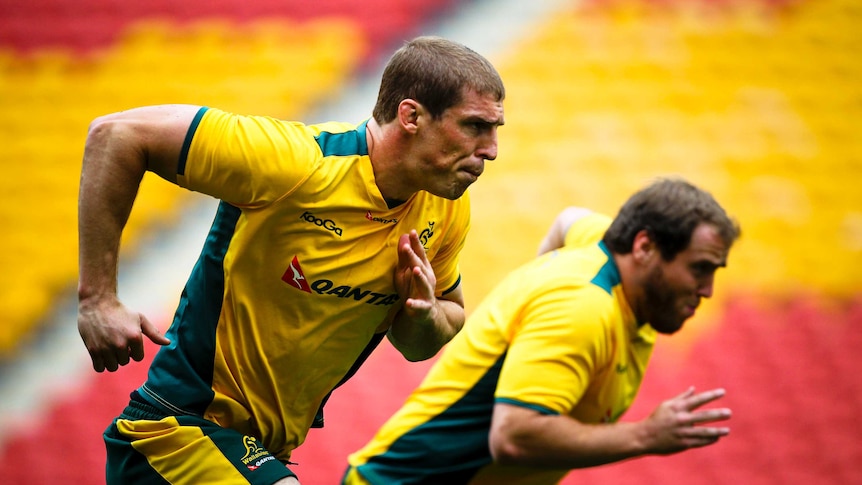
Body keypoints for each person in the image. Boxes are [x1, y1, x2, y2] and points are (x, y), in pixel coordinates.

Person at [77, 36, 505, 485]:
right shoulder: (296, 162)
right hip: (176, 431)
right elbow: (117, 135)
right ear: (411, 115)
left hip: (259, 452)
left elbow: (428, 336)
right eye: (475, 126)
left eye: (495, 130)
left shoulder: (445, 207)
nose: (491, 149)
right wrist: (98, 300)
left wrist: (423, 314)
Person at [343, 178, 741, 485]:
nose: (707, 290)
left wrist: (534, 292)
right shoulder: (582, 309)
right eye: (699, 268)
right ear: (644, 247)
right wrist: (646, 436)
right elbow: (515, 436)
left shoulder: (609, 252)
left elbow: (569, 219)